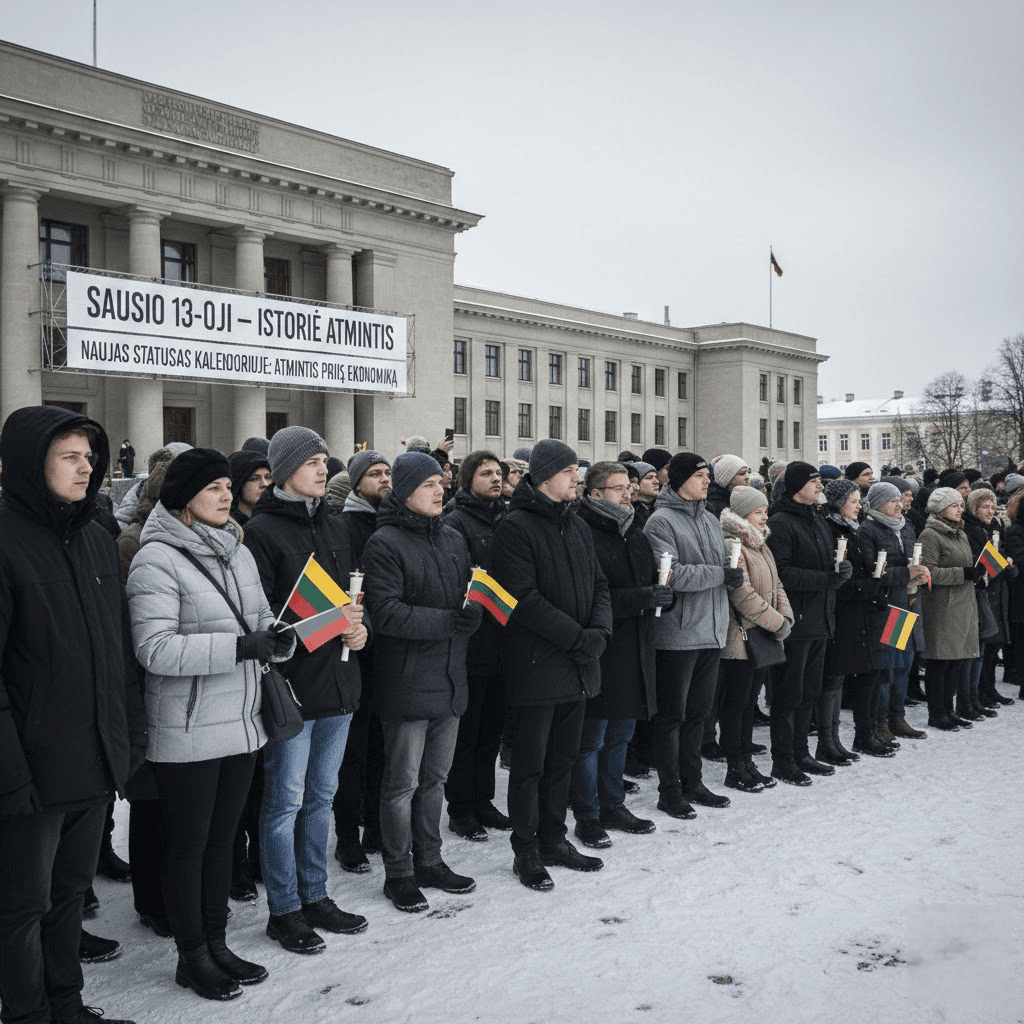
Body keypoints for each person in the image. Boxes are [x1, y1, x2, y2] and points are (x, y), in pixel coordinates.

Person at [126, 448, 295, 999]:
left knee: (223, 843)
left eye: (227, 486)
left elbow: (259, 617)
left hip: (243, 720)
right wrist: (240, 646)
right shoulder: (155, 559)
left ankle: (218, 943)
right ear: (183, 499)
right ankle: (192, 955)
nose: (226, 495)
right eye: (213, 488)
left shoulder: (237, 550)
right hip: (188, 727)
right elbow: (155, 649)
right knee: (188, 846)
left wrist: (279, 636)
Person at [0, 405, 146, 1024]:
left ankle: (67, 1004)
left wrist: (128, 736)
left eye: (89, 457)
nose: (87, 468)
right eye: (70, 457)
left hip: (93, 762)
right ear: (31, 463)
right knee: (21, 910)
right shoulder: (5, 541)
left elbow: (117, 651)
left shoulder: (94, 538)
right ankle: (27, 1014)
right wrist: (12, 777)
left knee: (68, 898)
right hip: (31, 774)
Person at [243, 427, 369, 953]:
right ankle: (285, 909)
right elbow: (262, 617)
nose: (324, 469)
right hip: (292, 690)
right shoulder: (261, 531)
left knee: (321, 798)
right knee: (284, 804)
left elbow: (353, 601)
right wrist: (324, 625)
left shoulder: (336, 524)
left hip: (340, 683)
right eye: (313, 461)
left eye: (325, 460)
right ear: (285, 469)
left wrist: (360, 630)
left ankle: (316, 895)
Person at [491, 439, 612, 890]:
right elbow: (522, 599)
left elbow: (599, 584)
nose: (577, 478)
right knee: (530, 766)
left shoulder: (575, 524)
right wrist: (579, 639)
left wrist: (599, 633)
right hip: (537, 664)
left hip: (578, 663)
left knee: (563, 760)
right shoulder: (515, 526)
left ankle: (554, 839)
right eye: (569, 472)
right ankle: (526, 849)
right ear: (544, 477)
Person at [362, 452, 480, 912]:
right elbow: (386, 613)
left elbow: (465, 596)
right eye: (428, 484)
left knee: (436, 780)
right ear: (405, 490)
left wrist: (473, 612)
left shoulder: (452, 536)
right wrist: (451, 622)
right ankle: (399, 871)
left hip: (451, 677)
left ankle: (430, 859)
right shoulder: (384, 542)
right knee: (402, 784)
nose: (440, 490)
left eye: (440, 482)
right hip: (407, 680)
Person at [570, 462, 667, 848]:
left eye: (629, 486)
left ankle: (613, 803)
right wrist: (644, 597)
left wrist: (664, 596)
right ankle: (587, 813)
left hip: (635, 646)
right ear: (595, 494)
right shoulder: (584, 531)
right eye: (619, 488)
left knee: (620, 735)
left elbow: (650, 583)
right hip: (602, 648)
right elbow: (592, 596)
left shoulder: (635, 530)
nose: (629, 493)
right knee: (591, 739)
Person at [644, 453, 741, 816]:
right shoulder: (660, 521)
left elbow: (719, 566)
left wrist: (732, 572)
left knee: (699, 714)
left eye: (708, 476)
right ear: (681, 479)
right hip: (679, 633)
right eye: (700, 475)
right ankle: (669, 790)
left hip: (712, 630)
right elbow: (671, 574)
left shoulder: (710, 517)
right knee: (672, 716)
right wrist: (720, 575)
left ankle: (693, 782)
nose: (707, 481)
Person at [442, 450, 512, 841]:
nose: (496, 478)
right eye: (486, 473)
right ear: (468, 480)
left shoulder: (506, 517)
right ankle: (461, 808)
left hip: (503, 639)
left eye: (499, 473)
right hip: (471, 643)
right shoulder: (456, 520)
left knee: (491, 731)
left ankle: (484, 800)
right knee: (467, 734)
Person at [766, 463, 852, 784]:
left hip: (819, 618)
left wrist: (840, 570)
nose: (819, 486)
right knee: (789, 694)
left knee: (809, 693)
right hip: (795, 622)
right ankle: (783, 760)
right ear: (796, 486)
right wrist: (827, 579)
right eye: (813, 481)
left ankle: (802, 753)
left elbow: (825, 563)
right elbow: (782, 573)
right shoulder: (780, 522)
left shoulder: (816, 518)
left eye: (819, 480)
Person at [332, 449, 391, 872]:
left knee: (381, 747)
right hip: (354, 649)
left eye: (388, 473)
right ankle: (347, 836)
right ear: (356, 483)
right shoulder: (345, 526)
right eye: (374, 474)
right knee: (352, 752)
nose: (384, 479)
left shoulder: (392, 521)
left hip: (388, 649)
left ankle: (375, 825)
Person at [718, 486, 793, 792]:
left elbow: (777, 585)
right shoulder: (732, 544)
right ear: (742, 514)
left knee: (749, 703)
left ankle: (747, 762)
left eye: (765, 511)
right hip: (739, 638)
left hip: (762, 634)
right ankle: (735, 766)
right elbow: (742, 594)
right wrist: (776, 622)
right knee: (736, 705)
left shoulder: (761, 543)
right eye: (758, 512)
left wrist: (785, 617)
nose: (764, 517)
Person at [858, 481, 931, 742]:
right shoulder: (868, 530)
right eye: (893, 501)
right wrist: (907, 573)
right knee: (887, 666)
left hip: (905, 603)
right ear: (879, 504)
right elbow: (873, 572)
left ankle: (897, 717)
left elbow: (912, 560)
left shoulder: (906, 526)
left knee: (903, 664)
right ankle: (881, 721)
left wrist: (919, 573)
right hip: (885, 607)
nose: (900, 505)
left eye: (900, 499)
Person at [918, 487, 982, 730]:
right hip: (942, 606)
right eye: (954, 505)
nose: (960, 509)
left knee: (956, 660)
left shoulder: (960, 533)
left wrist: (977, 571)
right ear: (940, 509)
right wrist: (963, 573)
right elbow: (928, 572)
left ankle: (949, 709)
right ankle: (936, 713)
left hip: (963, 604)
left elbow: (966, 565)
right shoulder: (930, 535)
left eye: (960, 505)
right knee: (940, 662)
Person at [228, 449, 272, 527]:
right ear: (239, 485)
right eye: (254, 479)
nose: (265, 484)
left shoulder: (277, 520)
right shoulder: (229, 528)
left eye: (268, 477)